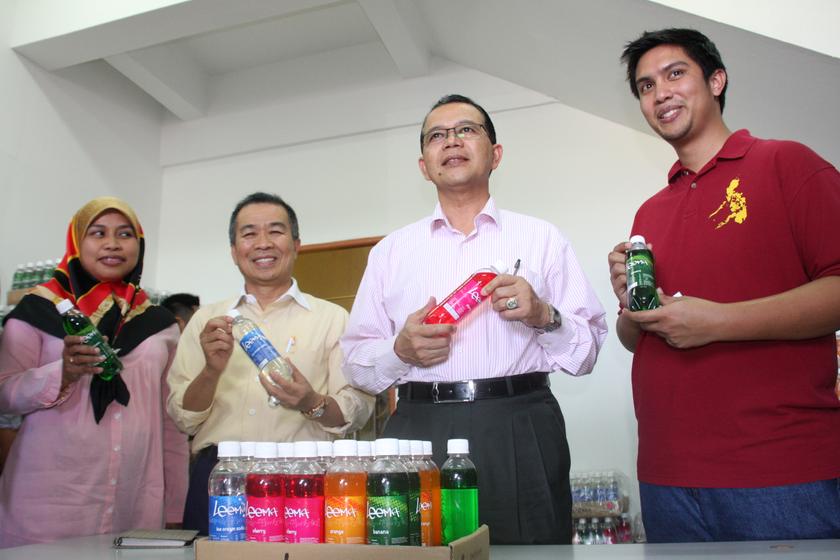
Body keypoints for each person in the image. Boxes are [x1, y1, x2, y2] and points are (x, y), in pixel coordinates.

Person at [341, 94, 607, 544]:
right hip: (418, 426)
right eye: (437, 135)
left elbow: (587, 354)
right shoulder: (391, 251)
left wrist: (543, 314)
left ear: (495, 154)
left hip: (519, 423)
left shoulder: (542, 237)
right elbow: (356, 364)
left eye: (467, 130)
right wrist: (399, 349)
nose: (451, 141)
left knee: (532, 548)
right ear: (424, 165)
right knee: (418, 550)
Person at [609, 28, 840, 542]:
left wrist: (717, 323)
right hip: (665, 476)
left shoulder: (786, 163)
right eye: (645, 86)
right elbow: (635, 338)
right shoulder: (651, 209)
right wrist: (631, 306)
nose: (660, 92)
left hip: (779, 471)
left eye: (675, 74)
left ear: (716, 81)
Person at [166, 191, 374, 535]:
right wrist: (211, 371)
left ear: (296, 244)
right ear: (234, 251)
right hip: (220, 475)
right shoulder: (208, 320)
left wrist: (310, 402)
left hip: (303, 476)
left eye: (275, 231)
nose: (263, 243)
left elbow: (357, 409)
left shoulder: (333, 318)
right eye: (249, 234)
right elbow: (184, 418)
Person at [0, 197, 188, 547]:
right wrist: (63, 373)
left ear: (139, 244)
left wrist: (174, 507)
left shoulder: (159, 324)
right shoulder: (37, 310)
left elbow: (171, 422)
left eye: (125, 234)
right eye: (98, 233)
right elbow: (6, 394)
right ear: (76, 243)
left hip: (133, 504)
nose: (113, 243)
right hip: (49, 504)